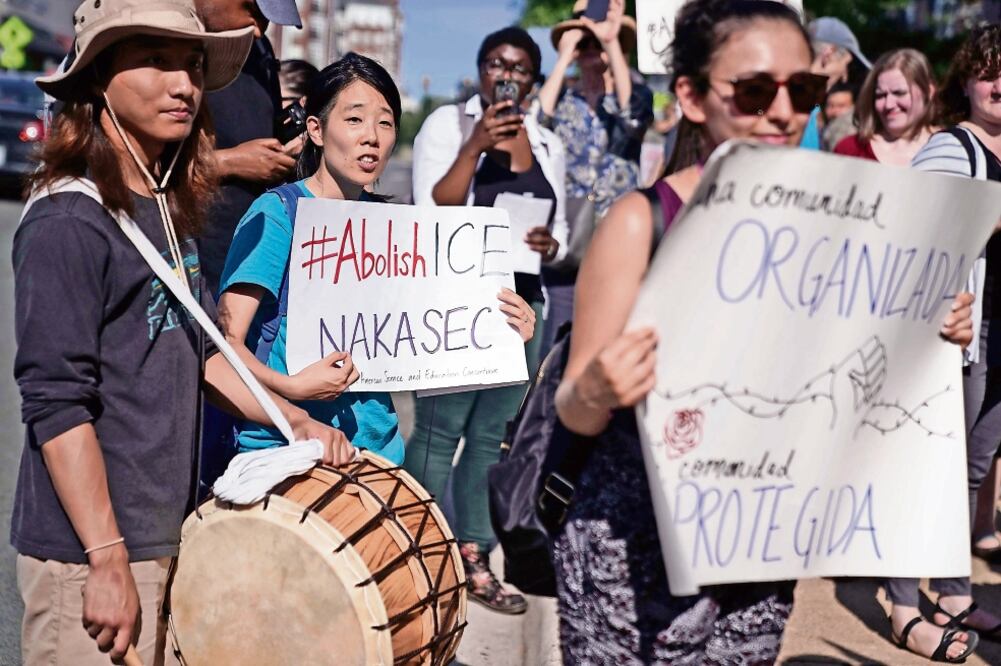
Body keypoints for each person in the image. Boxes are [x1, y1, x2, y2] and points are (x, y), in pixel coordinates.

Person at [551, 1, 976, 662]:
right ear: (690, 97)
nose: (782, 110)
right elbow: (572, 408)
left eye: (801, 90)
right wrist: (601, 385)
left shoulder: (845, 226)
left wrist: (935, 328)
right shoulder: (641, 221)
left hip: (760, 542)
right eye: (753, 91)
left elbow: (861, 368)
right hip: (632, 547)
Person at [11, 1, 351, 663]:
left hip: (165, 533)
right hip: (89, 553)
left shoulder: (165, 207)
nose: (183, 85)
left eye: (193, 66)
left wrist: (294, 421)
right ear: (97, 80)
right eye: (155, 62)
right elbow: (56, 404)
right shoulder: (67, 222)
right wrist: (106, 558)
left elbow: (202, 352)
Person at [406, 26, 565, 614]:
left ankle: (474, 557)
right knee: (436, 431)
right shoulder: (446, 127)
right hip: (458, 296)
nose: (508, 74)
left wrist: (553, 244)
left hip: (523, 305)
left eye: (521, 67)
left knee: (493, 441)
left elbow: (562, 228)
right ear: (479, 68)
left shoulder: (548, 143)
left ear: (533, 78)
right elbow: (429, 210)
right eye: (498, 63)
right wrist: (473, 146)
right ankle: (409, 551)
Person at [885, 24, 1001, 659]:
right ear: (967, 81)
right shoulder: (953, 149)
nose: (999, 81)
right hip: (959, 334)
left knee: (974, 471)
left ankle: (954, 590)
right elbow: (915, 227)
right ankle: (905, 606)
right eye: (988, 69)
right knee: (928, 472)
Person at [535, 0, 653, 355]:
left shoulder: (635, 94)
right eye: (584, 43)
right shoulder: (564, 100)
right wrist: (564, 56)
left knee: (611, 338)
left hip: (616, 233)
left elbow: (633, 119)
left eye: (596, 44)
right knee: (556, 343)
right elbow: (536, 126)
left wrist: (612, 41)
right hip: (567, 238)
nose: (591, 50)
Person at [195, 0, 303, 297]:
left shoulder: (260, 48)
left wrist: (294, 132)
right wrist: (230, 162)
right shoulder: (166, 40)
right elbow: (134, 165)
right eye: (253, 11)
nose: (259, 29)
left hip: (249, 254)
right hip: (195, 256)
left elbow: (256, 126)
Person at [835, 49, 937, 165]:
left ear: (929, 92)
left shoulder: (950, 149)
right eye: (880, 95)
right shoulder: (850, 150)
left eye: (899, 93)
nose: (888, 104)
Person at [802, 16, 871, 150]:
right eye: (846, 65)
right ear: (829, 53)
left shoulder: (797, 98)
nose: (844, 77)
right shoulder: (802, 104)